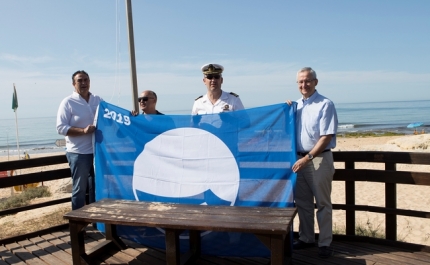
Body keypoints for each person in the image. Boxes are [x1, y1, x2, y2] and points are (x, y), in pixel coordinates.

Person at [288, 67, 338, 258]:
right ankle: (307, 238)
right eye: (300, 82)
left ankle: (325, 243)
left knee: (323, 203)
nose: (304, 85)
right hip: (299, 160)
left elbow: (326, 136)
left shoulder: (325, 104)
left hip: (318, 160)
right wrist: (286, 109)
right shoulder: (296, 106)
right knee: (303, 203)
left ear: (315, 82)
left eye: (308, 81)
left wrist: (308, 158)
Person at [56, 70, 103, 210]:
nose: (83, 83)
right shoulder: (68, 102)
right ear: (73, 84)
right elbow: (60, 128)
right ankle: (78, 227)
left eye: (86, 80)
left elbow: (110, 115)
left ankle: (97, 222)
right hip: (78, 153)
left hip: (97, 152)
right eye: (80, 80)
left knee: (96, 188)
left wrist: (130, 116)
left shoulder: (98, 100)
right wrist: (83, 131)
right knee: (80, 190)